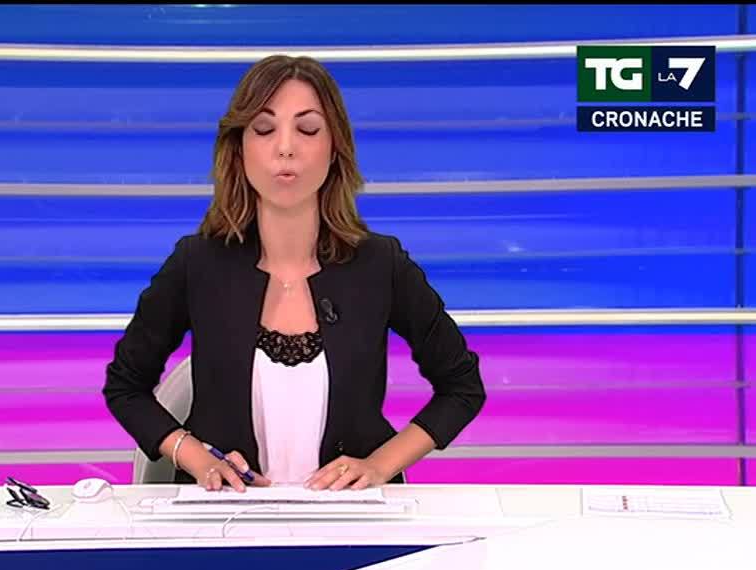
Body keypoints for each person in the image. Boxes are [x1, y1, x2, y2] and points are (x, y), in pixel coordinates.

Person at [104, 54, 485, 492]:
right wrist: (195, 456)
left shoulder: (382, 264)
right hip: (224, 518)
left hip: (352, 518)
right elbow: (125, 386)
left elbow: (462, 386)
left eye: (307, 129)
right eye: (264, 129)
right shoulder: (197, 263)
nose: (285, 147)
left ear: (335, 147)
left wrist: (381, 464)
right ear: (239, 148)